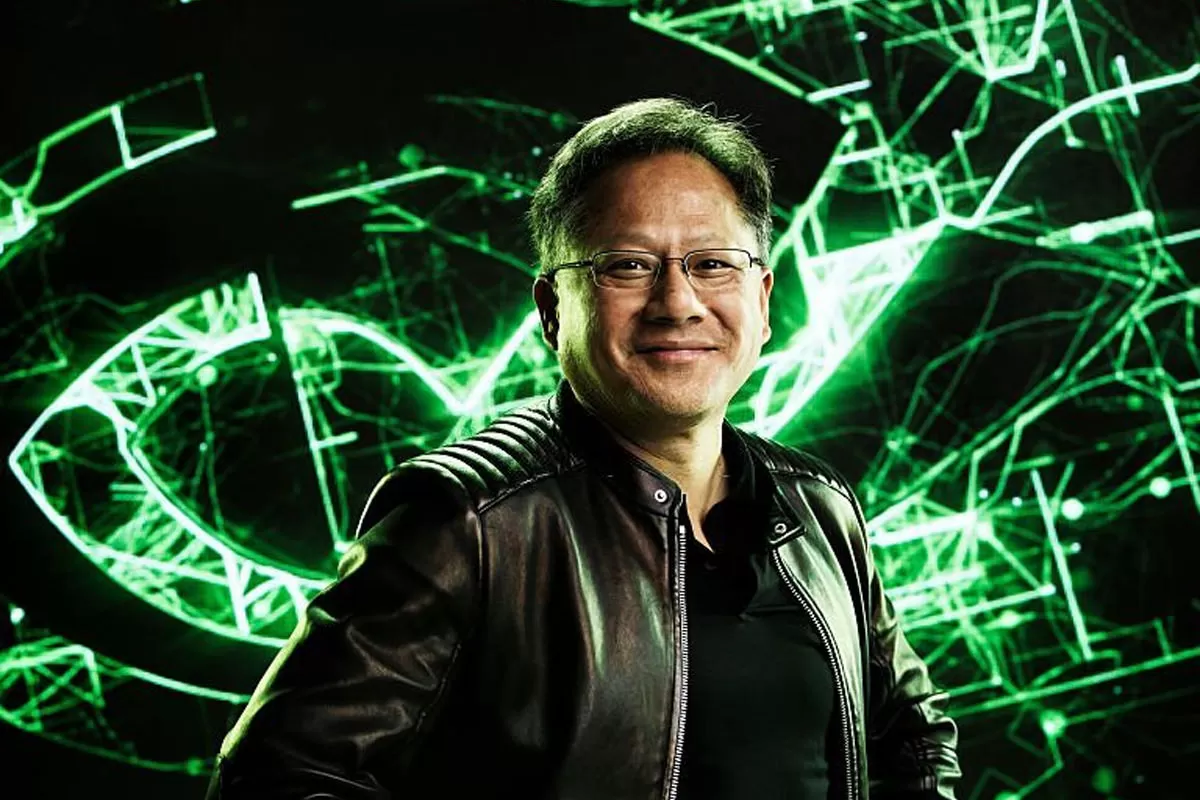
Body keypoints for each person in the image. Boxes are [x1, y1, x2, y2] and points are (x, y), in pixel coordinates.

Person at [208, 97, 961, 799]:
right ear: (551, 310)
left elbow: (914, 738)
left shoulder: (819, 507)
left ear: (762, 302)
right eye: (627, 265)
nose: (678, 303)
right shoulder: (468, 521)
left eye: (713, 263)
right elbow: (278, 778)